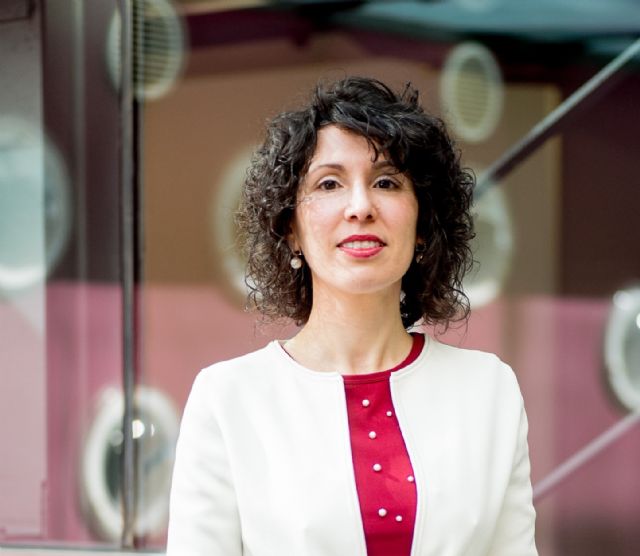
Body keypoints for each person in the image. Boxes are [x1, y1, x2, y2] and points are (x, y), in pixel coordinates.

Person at [166, 76, 537, 556]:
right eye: (329, 184)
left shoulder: (489, 390)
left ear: (423, 225)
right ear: (291, 228)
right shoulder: (228, 399)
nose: (360, 207)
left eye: (386, 182)